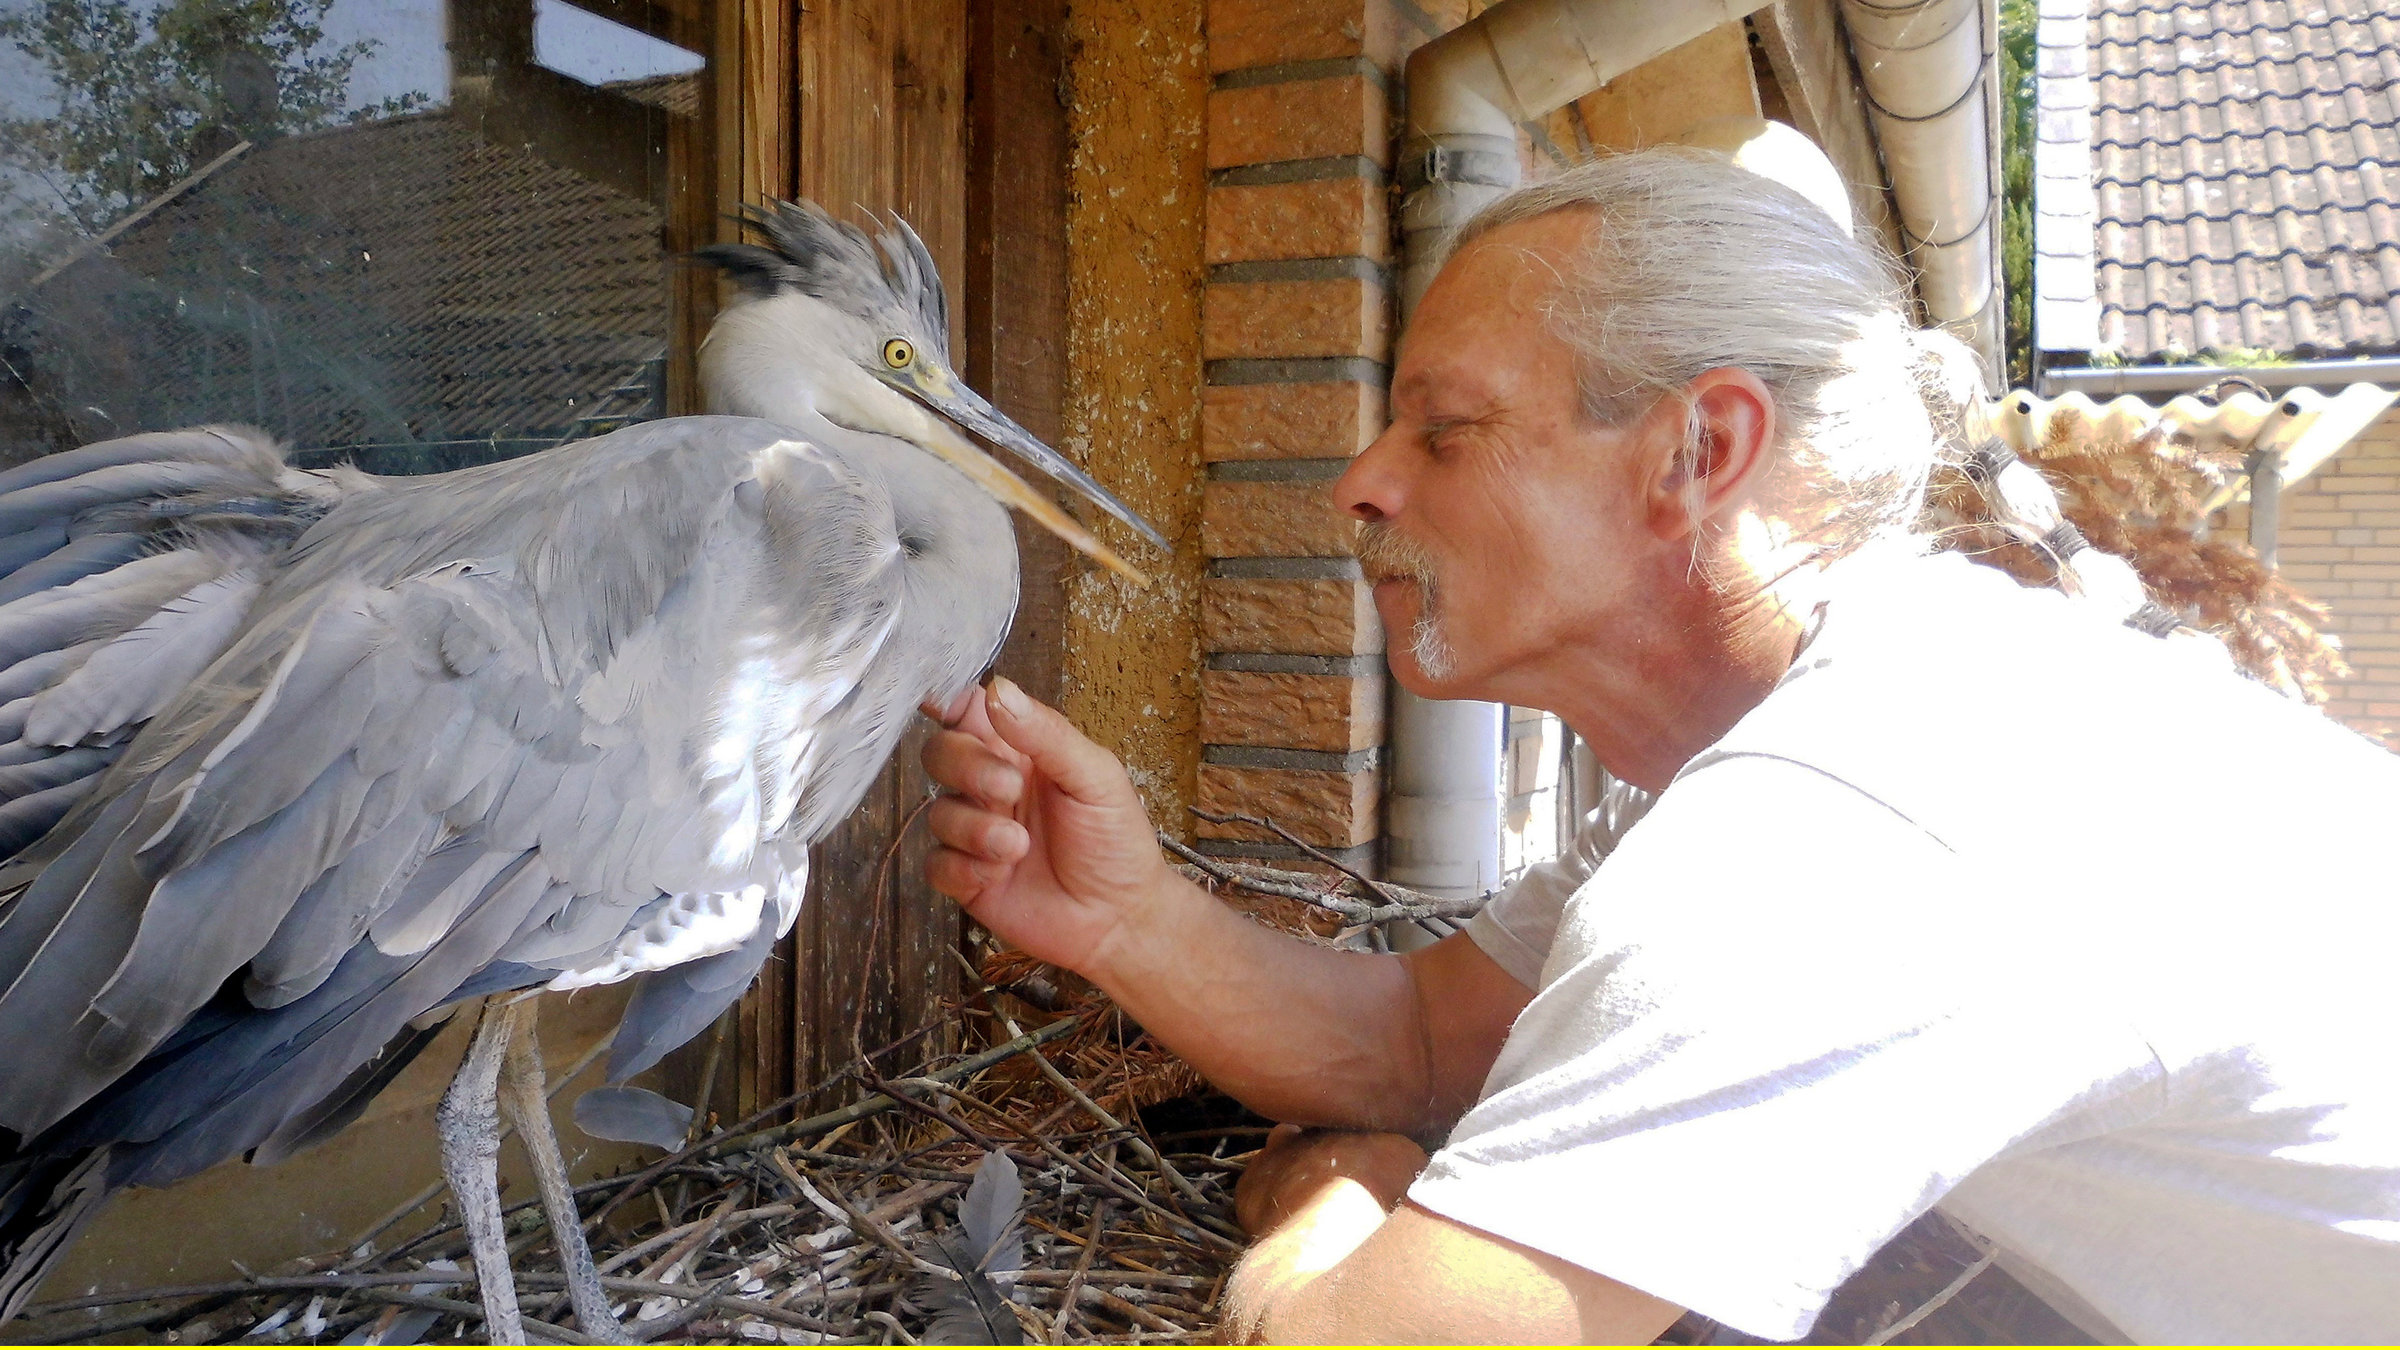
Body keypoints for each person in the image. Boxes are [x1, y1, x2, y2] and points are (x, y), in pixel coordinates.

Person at [918, 148, 2400, 1343]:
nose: (1357, 483)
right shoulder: (1818, 722)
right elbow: (1428, 1044)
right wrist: (1127, 917)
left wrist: (1325, 1195)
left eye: (1444, 429)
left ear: (1700, 454)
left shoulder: (1853, 819)